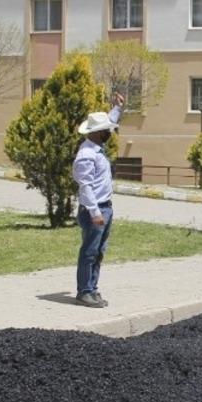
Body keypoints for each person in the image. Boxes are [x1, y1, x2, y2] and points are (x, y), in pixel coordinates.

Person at [72, 94, 124, 307]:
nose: (110, 133)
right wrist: (95, 213)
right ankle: (84, 291)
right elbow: (85, 187)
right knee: (90, 251)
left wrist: (118, 109)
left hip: (106, 208)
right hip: (95, 210)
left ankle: (92, 289)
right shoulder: (86, 155)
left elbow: (108, 122)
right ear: (96, 133)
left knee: (99, 251)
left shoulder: (96, 147)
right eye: (106, 131)